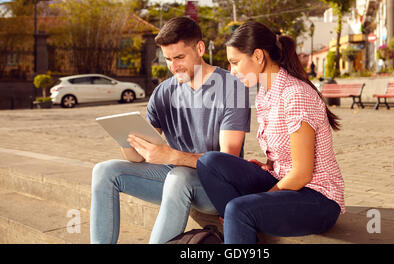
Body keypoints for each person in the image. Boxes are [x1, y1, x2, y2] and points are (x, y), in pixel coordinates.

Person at [90, 16, 251, 244]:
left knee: (179, 175)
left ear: (200, 48)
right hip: (174, 179)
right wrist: (127, 139)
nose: (174, 66)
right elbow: (136, 158)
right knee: (104, 171)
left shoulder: (232, 88)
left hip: (216, 188)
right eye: (167, 59)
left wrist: (173, 156)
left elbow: (227, 161)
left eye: (179, 57)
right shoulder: (163, 92)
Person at [197, 21, 345, 244]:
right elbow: (283, 149)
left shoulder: (295, 94)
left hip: (317, 198)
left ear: (258, 56)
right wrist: (269, 165)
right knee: (209, 162)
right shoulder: (265, 93)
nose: (232, 71)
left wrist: (263, 197)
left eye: (235, 62)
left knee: (237, 208)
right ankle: (240, 223)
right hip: (285, 182)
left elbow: (303, 174)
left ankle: (239, 220)